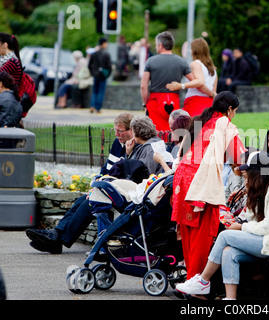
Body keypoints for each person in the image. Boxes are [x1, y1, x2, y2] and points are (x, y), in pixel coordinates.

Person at [175, 151, 269, 300]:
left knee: (225, 236)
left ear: (257, 174)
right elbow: (253, 219)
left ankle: (203, 281)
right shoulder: (266, 188)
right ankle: (231, 299)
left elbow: (268, 227)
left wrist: (240, 227)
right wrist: (251, 196)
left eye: (246, 175)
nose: (245, 179)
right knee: (229, 252)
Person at [26, 113, 135, 254]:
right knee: (81, 200)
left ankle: (57, 238)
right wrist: (99, 179)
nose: (116, 134)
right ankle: (56, 236)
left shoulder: (133, 146)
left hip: (120, 192)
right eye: (115, 130)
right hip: (107, 187)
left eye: (120, 131)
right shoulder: (117, 143)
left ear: (131, 130)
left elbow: (126, 173)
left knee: (88, 203)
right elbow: (107, 167)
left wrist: (128, 153)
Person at [171, 91, 246, 280]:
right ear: (229, 110)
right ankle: (197, 283)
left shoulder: (200, 121)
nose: (234, 115)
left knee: (188, 234)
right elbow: (240, 157)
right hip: (201, 182)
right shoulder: (224, 126)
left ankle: (190, 278)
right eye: (235, 111)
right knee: (201, 237)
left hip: (182, 180)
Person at [140, 31, 195, 131]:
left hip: (154, 102)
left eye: (156, 45)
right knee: (173, 132)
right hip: (174, 101)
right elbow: (194, 81)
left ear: (160, 45)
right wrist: (181, 85)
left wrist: (145, 103)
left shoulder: (151, 61)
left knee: (155, 133)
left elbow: (143, 86)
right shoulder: (181, 61)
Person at [166, 38, 217, 117]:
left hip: (195, 102)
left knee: (194, 127)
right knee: (204, 127)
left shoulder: (195, 64)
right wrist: (212, 94)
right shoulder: (213, 69)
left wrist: (181, 85)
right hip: (209, 103)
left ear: (195, 50)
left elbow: (200, 82)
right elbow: (213, 91)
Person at [88, 37, 111, 114]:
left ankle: (92, 105)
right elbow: (109, 67)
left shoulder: (94, 54)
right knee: (101, 91)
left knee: (94, 91)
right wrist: (107, 75)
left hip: (95, 75)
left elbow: (89, 65)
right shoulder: (106, 54)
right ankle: (98, 107)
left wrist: (93, 73)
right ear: (103, 43)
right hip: (103, 75)